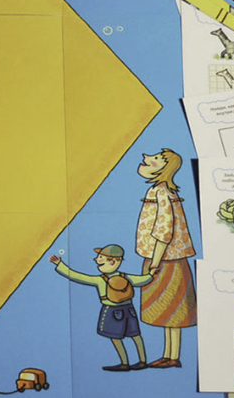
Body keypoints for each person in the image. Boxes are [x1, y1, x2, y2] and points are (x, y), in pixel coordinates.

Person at [135, 149, 197, 369]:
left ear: (165, 168)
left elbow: (163, 230)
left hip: (165, 260)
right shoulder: (161, 190)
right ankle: (169, 354)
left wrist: (154, 262)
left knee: (172, 310)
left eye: (155, 159)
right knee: (170, 312)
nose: (146, 159)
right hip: (166, 257)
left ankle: (172, 356)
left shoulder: (161, 192)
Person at [49, 245, 153, 371]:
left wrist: (60, 265)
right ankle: (142, 361)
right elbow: (143, 280)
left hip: (112, 310)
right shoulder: (126, 277)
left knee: (116, 337)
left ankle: (125, 363)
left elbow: (78, 276)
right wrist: (151, 273)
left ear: (112, 261)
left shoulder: (100, 280)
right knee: (135, 335)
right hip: (129, 310)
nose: (96, 259)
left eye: (100, 257)